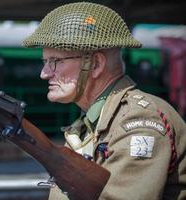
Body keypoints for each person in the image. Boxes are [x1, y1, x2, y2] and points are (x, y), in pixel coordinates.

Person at [22, 2, 186, 200]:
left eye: (56, 61)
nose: (44, 74)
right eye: (45, 62)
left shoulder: (138, 121)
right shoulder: (91, 123)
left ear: (95, 64)